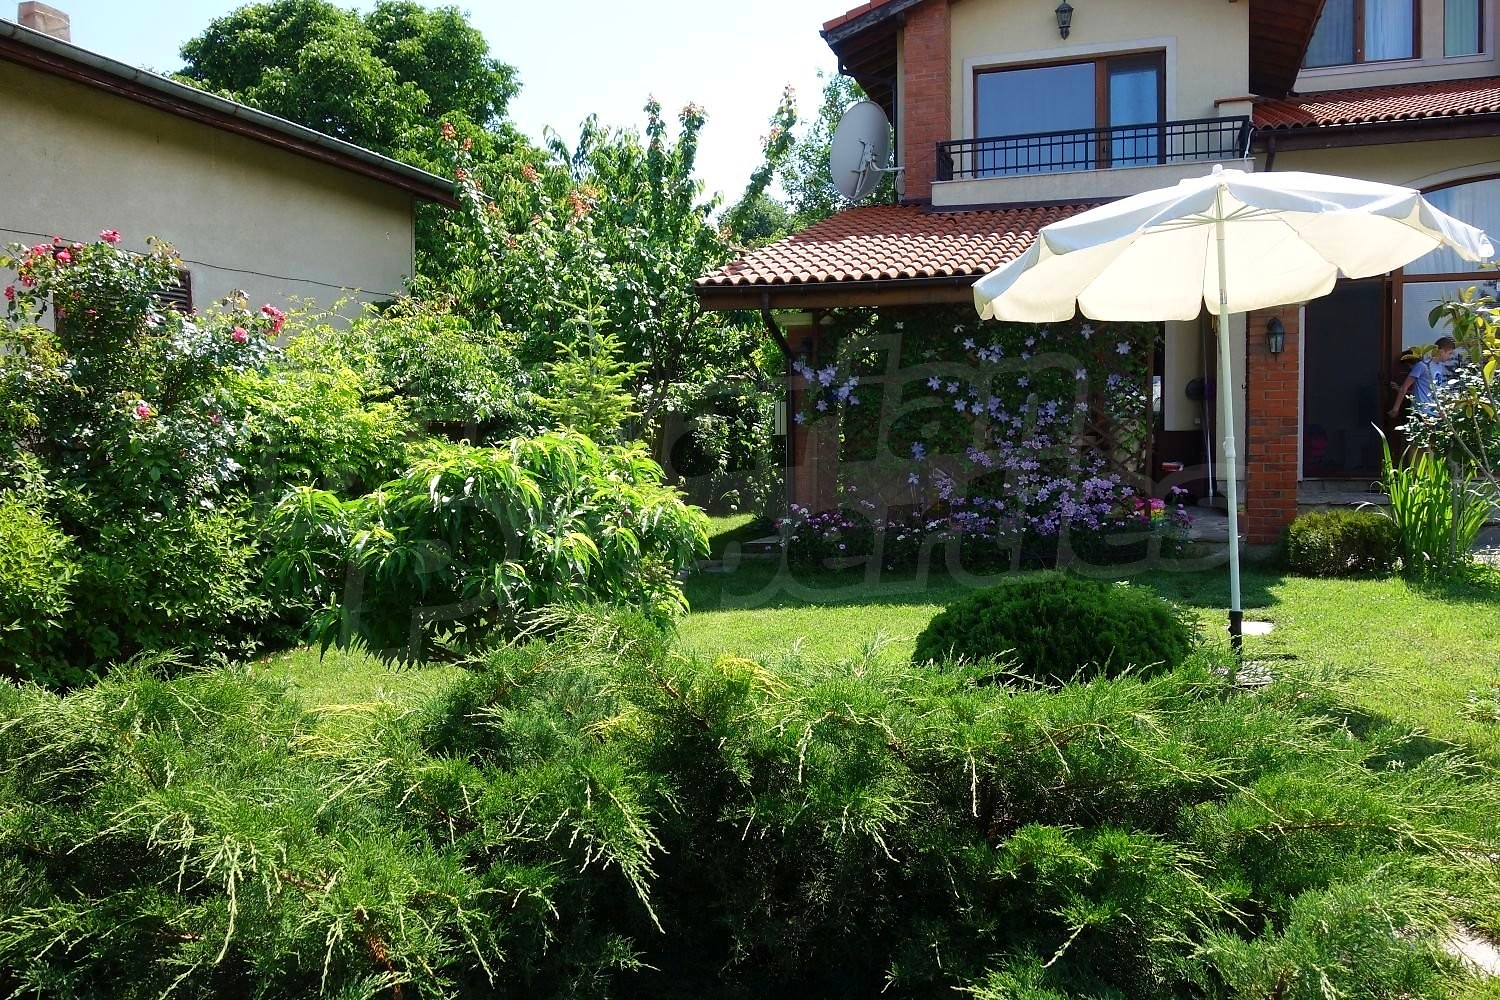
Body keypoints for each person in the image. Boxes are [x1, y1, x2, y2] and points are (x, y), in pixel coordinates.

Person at [1389, 336, 1457, 419]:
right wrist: (1396, 408)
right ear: (1441, 351)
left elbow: (1437, 390)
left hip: (1435, 413)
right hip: (1421, 412)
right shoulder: (1422, 365)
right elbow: (1405, 386)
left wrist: (1441, 410)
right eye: (1449, 353)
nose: (1450, 356)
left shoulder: (1441, 367)